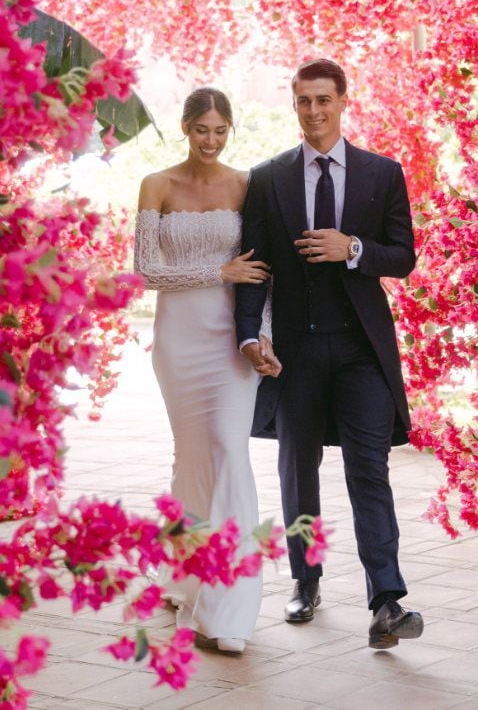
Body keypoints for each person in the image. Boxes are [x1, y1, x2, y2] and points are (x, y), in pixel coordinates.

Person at [235, 59, 424, 650]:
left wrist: (354, 247)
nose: (313, 111)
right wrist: (249, 336)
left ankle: (387, 600)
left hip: (361, 350)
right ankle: (305, 580)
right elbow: (254, 269)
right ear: (294, 105)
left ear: (343, 100)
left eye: (323, 99)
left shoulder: (382, 173)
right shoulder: (266, 179)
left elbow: (402, 256)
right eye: (303, 101)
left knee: (369, 470)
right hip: (294, 353)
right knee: (298, 473)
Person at [134, 87, 280, 654]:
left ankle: (230, 608)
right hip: (178, 339)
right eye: (202, 130)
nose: (212, 141)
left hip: (230, 342)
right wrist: (217, 271)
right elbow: (147, 269)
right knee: (191, 460)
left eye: (221, 131)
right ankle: (185, 572)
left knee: (228, 448)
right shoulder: (157, 184)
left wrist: (259, 332)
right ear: (186, 127)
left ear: (230, 131)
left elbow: (259, 271)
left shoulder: (247, 185)